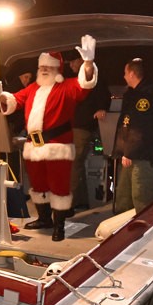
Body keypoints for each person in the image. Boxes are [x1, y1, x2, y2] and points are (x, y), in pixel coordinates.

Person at [0, 35, 98, 241]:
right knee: (38, 183)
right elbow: (15, 100)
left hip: (57, 144)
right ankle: (45, 219)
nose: (44, 69)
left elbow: (85, 85)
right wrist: (1, 95)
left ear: (58, 69)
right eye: (42, 66)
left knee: (59, 186)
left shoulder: (67, 86)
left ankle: (59, 226)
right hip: (33, 144)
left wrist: (88, 63)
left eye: (49, 66)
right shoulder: (33, 88)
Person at [113, 58, 153, 214]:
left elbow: (141, 127)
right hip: (132, 153)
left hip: (143, 154)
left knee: (141, 195)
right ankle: (123, 229)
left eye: (125, 73)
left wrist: (129, 152)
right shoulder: (132, 94)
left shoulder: (147, 95)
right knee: (124, 196)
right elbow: (127, 123)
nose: (123, 76)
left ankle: (144, 229)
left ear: (131, 73)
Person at [66, 55, 111, 214]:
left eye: (72, 61)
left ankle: (69, 204)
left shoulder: (93, 77)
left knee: (73, 164)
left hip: (82, 128)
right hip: (74, 126)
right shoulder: (76, 80)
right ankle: (82, 201)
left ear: (80, 61)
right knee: (76, 165)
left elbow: (104, 95)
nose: (70, 64)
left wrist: (102, 109)